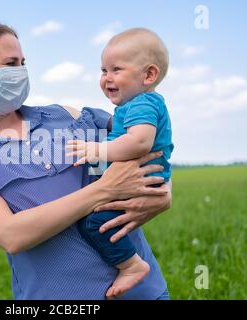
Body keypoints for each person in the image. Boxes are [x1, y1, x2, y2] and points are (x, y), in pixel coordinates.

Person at [0, 19, 172, 300]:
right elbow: (11, 235)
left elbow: (146, 139)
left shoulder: (68, 116)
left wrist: (163, 193)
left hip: (144, 292)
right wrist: (103, 190)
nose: (21, 72)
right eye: (11, 64)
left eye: (23, 63)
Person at [66, 28, 174, 298]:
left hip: (142, 179)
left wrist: (98, 150)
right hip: (141, 178)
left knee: (94, 222)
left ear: (149, 75)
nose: (106, 78)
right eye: (103, 71)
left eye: (116, 70)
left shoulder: (143, 104)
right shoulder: (132, 106)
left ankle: (131, 265)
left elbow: (140, 143)